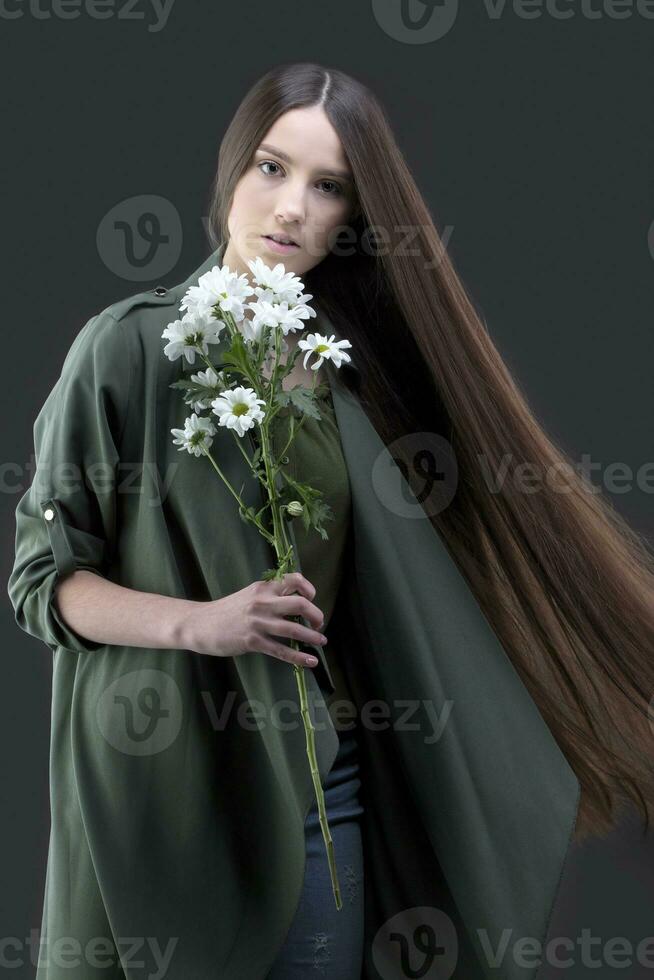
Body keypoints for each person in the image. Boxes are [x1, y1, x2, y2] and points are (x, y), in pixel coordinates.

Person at [8, 61, 654, 980]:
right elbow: (43, 583)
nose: (292, 208)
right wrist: (201, 623)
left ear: (354, 214)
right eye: (271, 169)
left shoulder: (344, 376)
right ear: (232, 170)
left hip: (323, 787)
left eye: (329, 186)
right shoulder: (127, 350)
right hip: (167, 793)